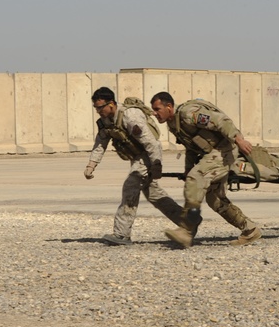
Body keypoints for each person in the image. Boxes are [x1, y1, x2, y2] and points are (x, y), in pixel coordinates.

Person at [149, 92, 263, 248]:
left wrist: (239, 139)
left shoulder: (188, 114)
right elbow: (191, 147)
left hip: (224, 150)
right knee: (215, 200)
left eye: (157, 109)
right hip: (211, 154)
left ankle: (186, 230)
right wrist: (188, 170)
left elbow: (220, 121)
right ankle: (250, 230)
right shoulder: (174, 124)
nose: (154, 113)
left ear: (169, 107)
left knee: (196, 178)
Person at [84, 87, 184, 245]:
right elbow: (101, 142)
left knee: (130, 187)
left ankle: (121, 234)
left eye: (100, 107)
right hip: (137, 156)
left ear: (111, 104)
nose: (98, 111)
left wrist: (157, 165)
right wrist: (91, 165)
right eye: (96, 108)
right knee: (154, 195)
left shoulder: (130, 116)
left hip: (147, 155)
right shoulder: (105, 121)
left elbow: (152, 143)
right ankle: (188, 222)